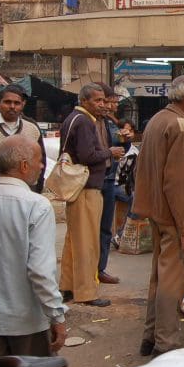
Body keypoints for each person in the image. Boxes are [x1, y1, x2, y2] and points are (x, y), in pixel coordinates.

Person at [0, 135, 67, 360]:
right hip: (25, 323)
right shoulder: (37, 206)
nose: (42, 166)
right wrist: (57, 315)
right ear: (23, 166)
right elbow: (40, 272)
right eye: (40, 161)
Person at [131, 75, 184, 356]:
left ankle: (151, 336)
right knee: (173, 282)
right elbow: (176, 184)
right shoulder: (180, 127)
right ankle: (166, 344)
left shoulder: (157, 120)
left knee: (159, 277)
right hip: (174, 216)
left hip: (157, 211)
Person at [59, 83, 121, 308]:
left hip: (80, 188)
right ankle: (86, 292)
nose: (103, 105)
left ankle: (67, 286)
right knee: (87, 243)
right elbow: (87, 155)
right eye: (98, 101)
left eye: (104, 100)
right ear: (84, 101)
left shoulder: (74, 119)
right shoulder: (84, 121)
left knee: (74, 241)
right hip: (86, 187)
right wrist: (110, 152)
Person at [97, 84, 131, 285]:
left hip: (109, 178)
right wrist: (110, 152)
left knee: (104, 228)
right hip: (96, 180)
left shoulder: (110, 122)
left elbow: (120, 149)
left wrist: (125, 141)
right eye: (112, 102)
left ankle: (100, 268)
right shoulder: (90, 122)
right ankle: (92, 270)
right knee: (95, 228)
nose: (113, 106)